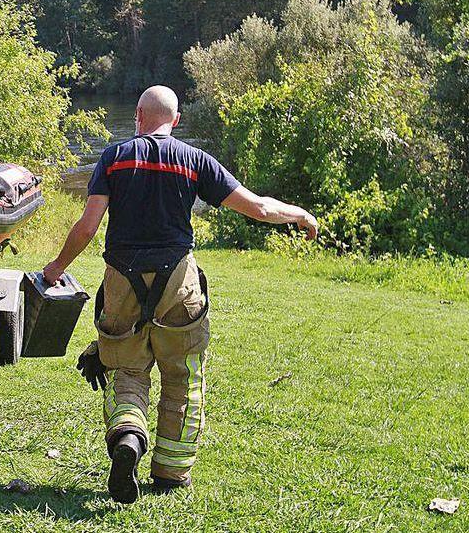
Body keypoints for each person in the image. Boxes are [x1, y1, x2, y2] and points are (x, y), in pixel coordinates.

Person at [42, 85, 318, 504]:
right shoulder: (195, 161)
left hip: (121, 280)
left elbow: (88, 224)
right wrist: (299, 214)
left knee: (124, 369)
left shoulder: (113, 159)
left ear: (137, 116)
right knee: (183, 375)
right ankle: (171, 472)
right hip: (178, 282)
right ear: (177, 120)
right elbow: (259, 208)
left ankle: (128, 439)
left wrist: (57, 267)